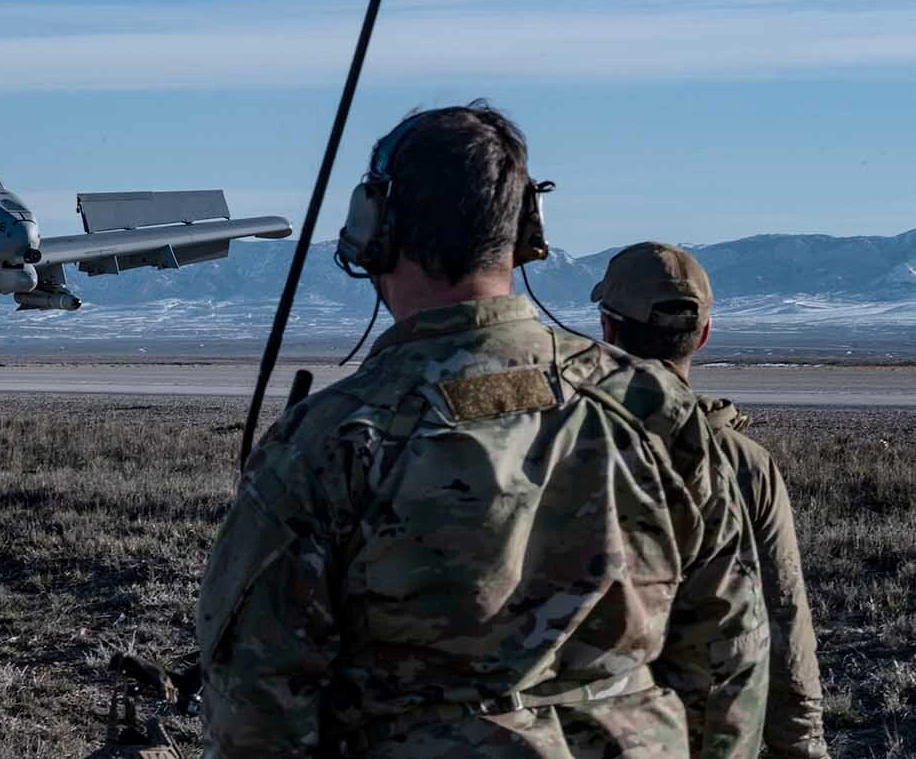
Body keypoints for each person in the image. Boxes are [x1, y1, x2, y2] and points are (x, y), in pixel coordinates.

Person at [196, 103, 770, 758]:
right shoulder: (657, 414)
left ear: (377, 231)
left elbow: (255, 712)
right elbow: (731, 662)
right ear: (528, 230)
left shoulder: (335, 443)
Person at [592, 242, 829, 758]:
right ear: (702, 336)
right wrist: (803, 746)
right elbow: (783, 617)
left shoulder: (562, 449)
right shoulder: (746, 464)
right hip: (713, 736)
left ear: (607, 332)